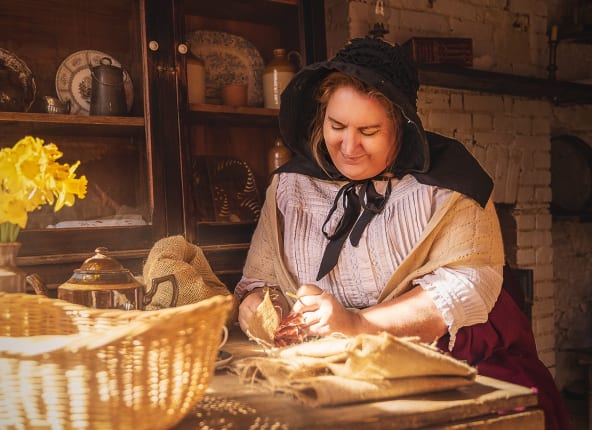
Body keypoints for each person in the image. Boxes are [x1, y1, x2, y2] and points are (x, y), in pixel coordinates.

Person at [234, 37, 569, 430]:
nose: (348, 145)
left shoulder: (449, 185)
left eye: (369, 130)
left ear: (402, 126)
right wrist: (262, 313)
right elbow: (258, 284)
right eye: (336, 125)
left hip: (440, 363)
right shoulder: (290, 187)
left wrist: (357, 325)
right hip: (321, 368)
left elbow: (470, 284)